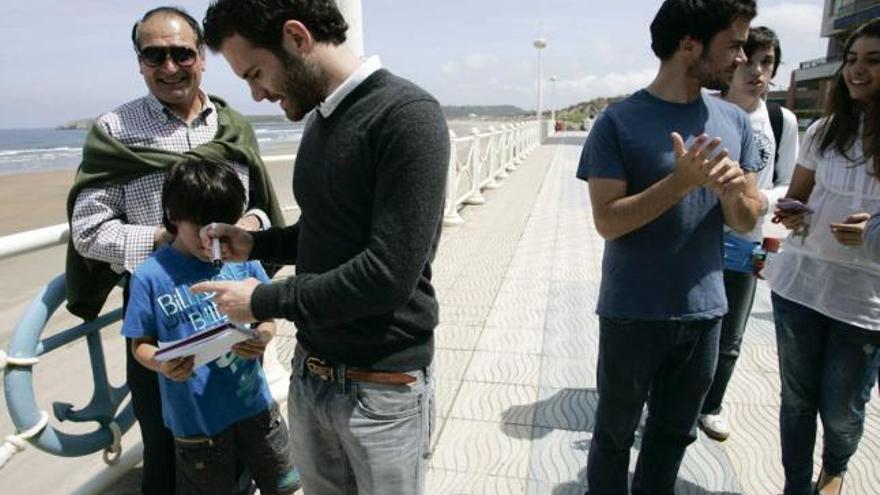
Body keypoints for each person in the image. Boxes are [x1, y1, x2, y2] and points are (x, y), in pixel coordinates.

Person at [193, 1, 450, 493]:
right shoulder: (319, 121)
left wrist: (262, 299)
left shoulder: (407, 115)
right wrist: (255, 243)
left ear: (296, 37)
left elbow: (386, 274)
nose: (257, 94)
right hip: (311, 374)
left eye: (256, 73)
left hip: (383, 389)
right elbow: (326, 229)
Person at [65, 7, 285, 494]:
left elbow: (262, 210)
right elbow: (87, 229)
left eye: (182, 53)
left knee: (244, 426)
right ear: (140, 61)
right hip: (163, 309)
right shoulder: (115, 130)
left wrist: (246, 226)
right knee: (166, 442)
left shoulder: (230, 123)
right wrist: (164, 240)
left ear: (201, 56)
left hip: (230, 303)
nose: (169, 67)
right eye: (154, 55)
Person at [576, 0, 764, 493]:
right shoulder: (617, 122)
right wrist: (680, 183)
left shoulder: (735, 122)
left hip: (705, 313)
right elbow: (607, 222)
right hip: (632, 312)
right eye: (735, 44)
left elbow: (744, 222)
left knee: (673, 437)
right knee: (615, 437)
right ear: (689, 44)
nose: (743, 58)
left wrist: (733, 193)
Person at [123, 159, 299, 495]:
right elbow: (140, 344)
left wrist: (262, 337)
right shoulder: (149, 276)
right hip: (196, 426)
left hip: (258, 410)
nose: (211, 245)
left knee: (285, 486)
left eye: (220, 230)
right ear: (173, 215)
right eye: (201, 231)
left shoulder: (240, 258)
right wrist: (161, 361)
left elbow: (266, 317)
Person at [765, 18, 880, 495]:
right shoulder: (825, 130)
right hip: (801, 285)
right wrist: (791, 213)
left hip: (864, 303)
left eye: (873, 61)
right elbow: (798, 197)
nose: (857, 70)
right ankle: (796, 487)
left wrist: (872, 231)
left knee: (842, 407)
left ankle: (832, 472)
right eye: (852, 60)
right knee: (796, 400)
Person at [699, 26, 799, 441]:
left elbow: (790, 185)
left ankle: (712, 404)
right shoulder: (704, 107)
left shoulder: (779, 119)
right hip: (699, 236)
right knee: (686, 324)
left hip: (747, 236)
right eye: (749, 59)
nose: (756, 71)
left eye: (767, 62)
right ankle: (673, 400)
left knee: (732, 332)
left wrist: (751, 193)